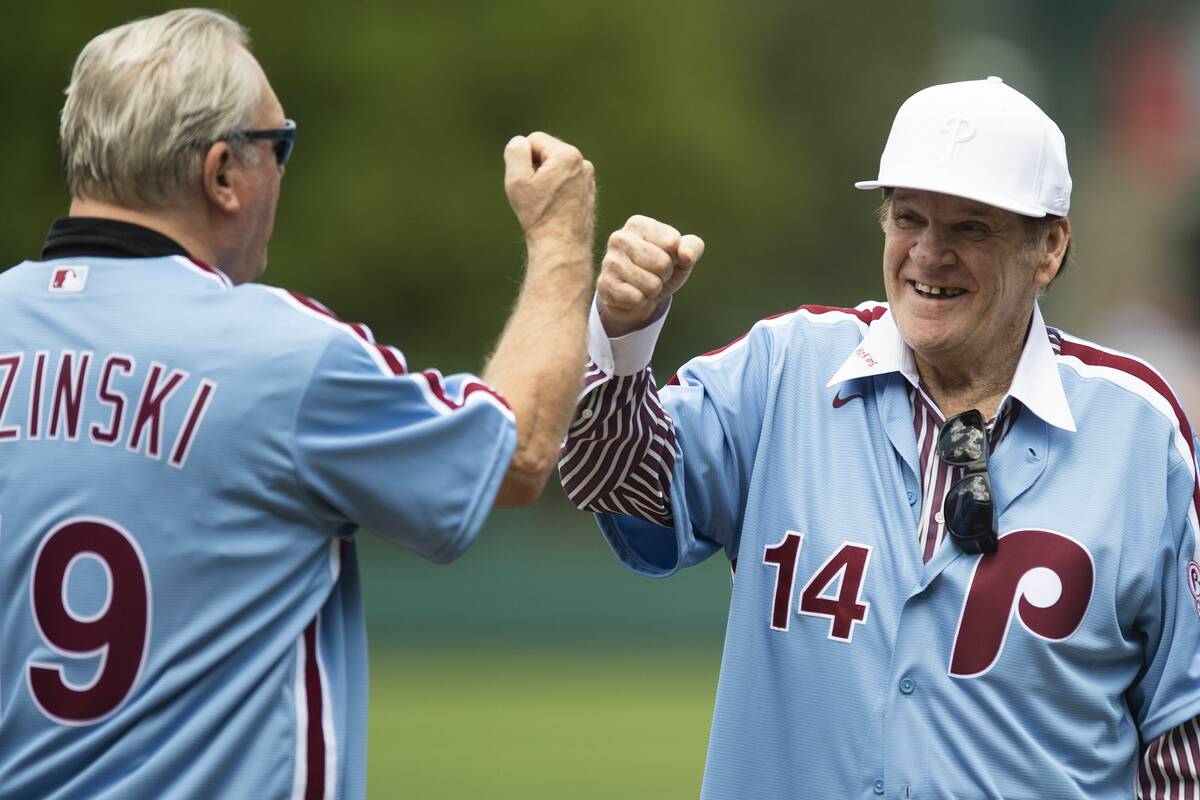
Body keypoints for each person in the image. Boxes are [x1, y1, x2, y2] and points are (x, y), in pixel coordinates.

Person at [0, 9, 594, 799]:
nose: (282, 168)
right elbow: (515, 455)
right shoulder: (279, 354)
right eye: (278, 145)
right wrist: (560, 242)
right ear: (222, 174)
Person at [560, 76, 1200, 799]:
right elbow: (616, 483)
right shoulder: (786, 368)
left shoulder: (1138, 432)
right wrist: (620, 337)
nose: (929, 254)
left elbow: (1182, 735)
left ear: (1048, 247)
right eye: (909, 218)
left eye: (970, 227)